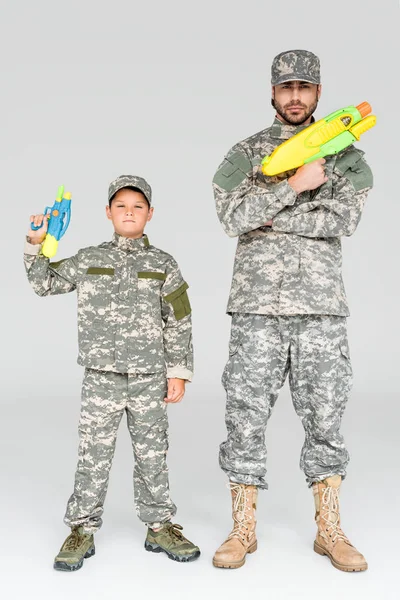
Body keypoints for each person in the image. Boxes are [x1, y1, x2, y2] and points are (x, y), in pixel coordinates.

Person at [212, 49, 373, 572]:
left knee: (326, 416)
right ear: (272, 93)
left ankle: (329, 530)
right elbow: (231, 216)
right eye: (287, 88)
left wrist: (274, 216)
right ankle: (243, 530)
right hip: (257, 307)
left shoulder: (346, 154)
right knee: (245, 415)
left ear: (319, 93)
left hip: (320, 308)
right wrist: (293, 188)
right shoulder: (247, 152)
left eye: (305, 88)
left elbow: (344, 219)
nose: (296, 97)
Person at [24, 175, 200, 571]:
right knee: (93, 455)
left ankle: (159, 525)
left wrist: (179, 372)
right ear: (107, 213)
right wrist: (36, 243)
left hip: (148, 377)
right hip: (101, 377)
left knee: (153, 455)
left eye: (137, 206)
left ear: (150, 214)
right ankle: (82, 529)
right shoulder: (89, 258)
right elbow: (43, 283)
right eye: (120, 206)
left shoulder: (163, 264)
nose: (129, 212)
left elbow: (179, 320)